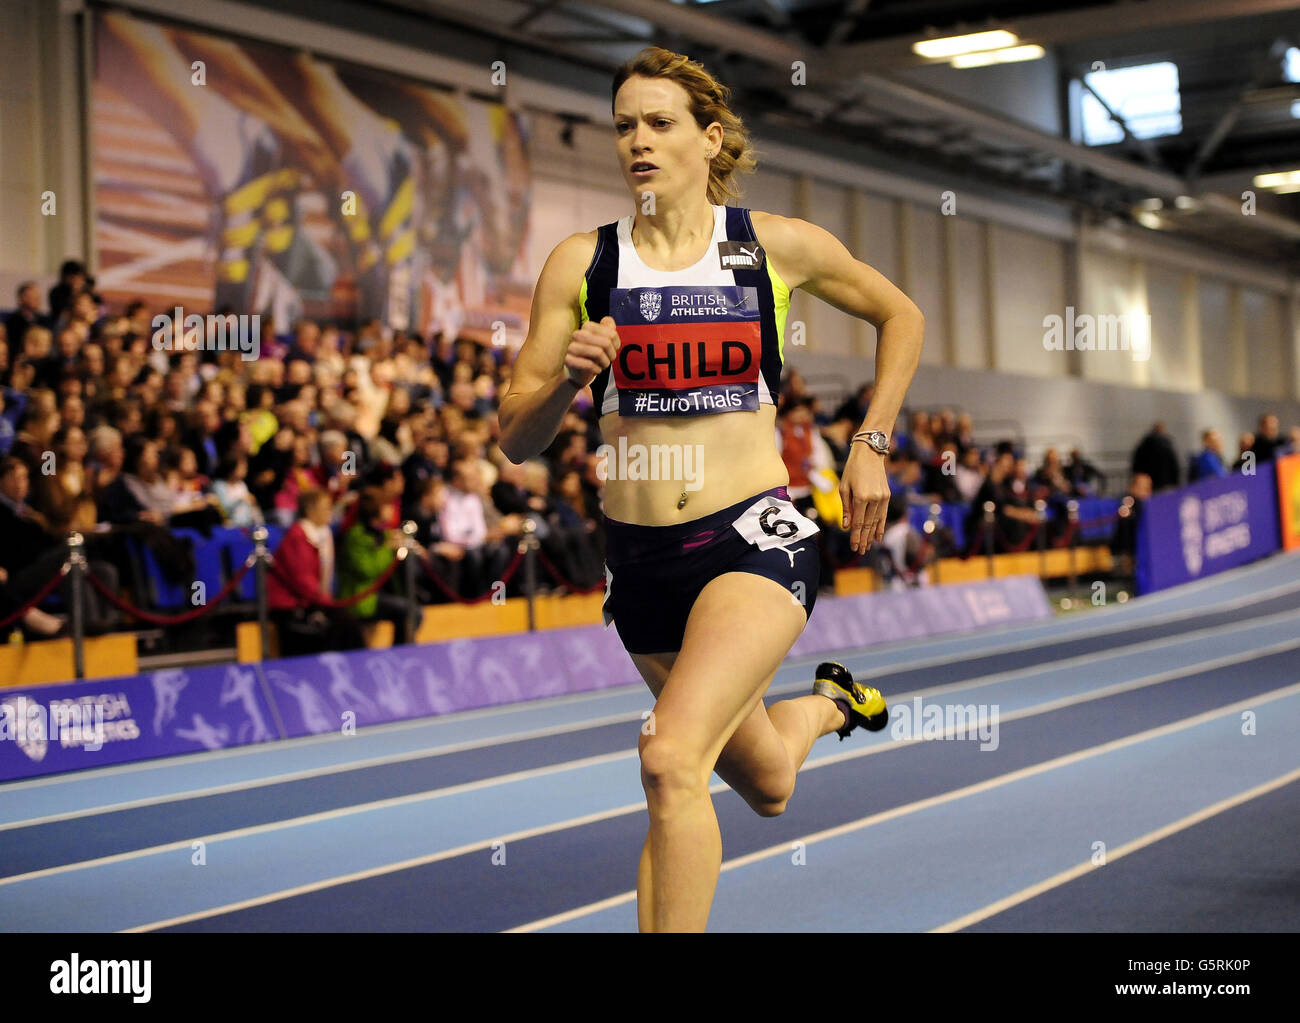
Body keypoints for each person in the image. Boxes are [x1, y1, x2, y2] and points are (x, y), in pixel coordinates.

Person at [498, 46, 924, 932]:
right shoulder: (583, 264)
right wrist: (568, 381)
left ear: (709, 137)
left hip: (753, 538)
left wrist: (870, 441)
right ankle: (835, 705)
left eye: (659, 123)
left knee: (668, 760)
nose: (637, 143)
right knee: (766, 781)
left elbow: (901, 314)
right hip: (640, 561)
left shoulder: (773, 245)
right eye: (624, 126)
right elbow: (513, 438)